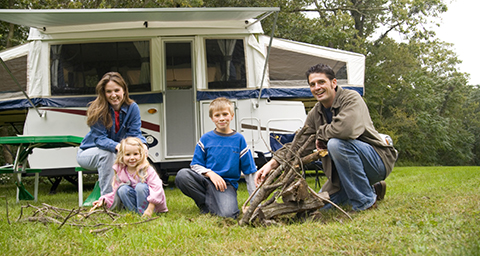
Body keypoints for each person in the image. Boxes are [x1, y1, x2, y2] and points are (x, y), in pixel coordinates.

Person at [255, 64, 398, 212]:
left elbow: (346, 130)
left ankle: (366, 203)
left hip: (376, 161)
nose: (317, 87)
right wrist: (272, 163)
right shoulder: (314, 114)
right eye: (312, 84)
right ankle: (373, 188)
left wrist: (320, 134)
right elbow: (299, 144)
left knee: (336, 144)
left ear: (333, 83)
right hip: (343, 174)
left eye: (321, 82)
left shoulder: (351, 98)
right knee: (316, 208)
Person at [175, 97, 257, 218]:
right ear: (212, 118)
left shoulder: (239, 139)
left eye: (225, 114)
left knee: (229, 215)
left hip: (226, 185)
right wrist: (211, 174)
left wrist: (254, 203)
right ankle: (204, 204)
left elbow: (250, 172)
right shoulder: (205, 139)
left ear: (232, 115)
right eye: (217, 115)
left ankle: (211, 206)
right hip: (207, 181)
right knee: (182, 175)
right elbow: (195, 165)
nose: (222, 118)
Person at [77, 72, 148, 196]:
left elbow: (135, 133)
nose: (113, 95)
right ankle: (108, 199)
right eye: (109, 91)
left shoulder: (133, 108)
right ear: (103, 93)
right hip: (88, 152)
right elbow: (100, 139)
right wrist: (120, 147)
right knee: (107, 154)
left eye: (117, 90)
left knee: (139, 151)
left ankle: (139, 195)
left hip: (116, 151)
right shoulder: (97, 109)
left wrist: (142, 145)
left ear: (124, 91)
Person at [91, 137, 168, 217]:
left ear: (141, 154)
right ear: (122, 156)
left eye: (135, 154)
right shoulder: (121, 171)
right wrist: (103, 201)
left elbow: (157, 189)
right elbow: (115, 193)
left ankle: (145, 212)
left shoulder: (146, 170)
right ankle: (134, 213)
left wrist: (150, 208)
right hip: (134, 201)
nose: (132, 158)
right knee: (122, 189)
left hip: (151, 206)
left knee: (140, 187)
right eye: (128, 154)